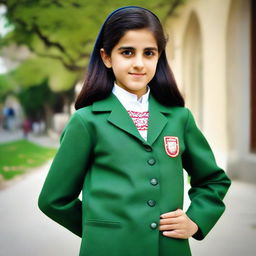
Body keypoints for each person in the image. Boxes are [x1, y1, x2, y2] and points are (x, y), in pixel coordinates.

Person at [38, 6, 231, 256]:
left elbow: (213, 180)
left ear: (159, 57)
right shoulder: (86, 122)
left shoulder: (179, 118)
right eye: (127, 52)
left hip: (169, 250)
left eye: (149, 53)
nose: (139, 63)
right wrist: (100, 232)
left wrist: (195, 220)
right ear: (107, 57)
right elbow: (53, 200)